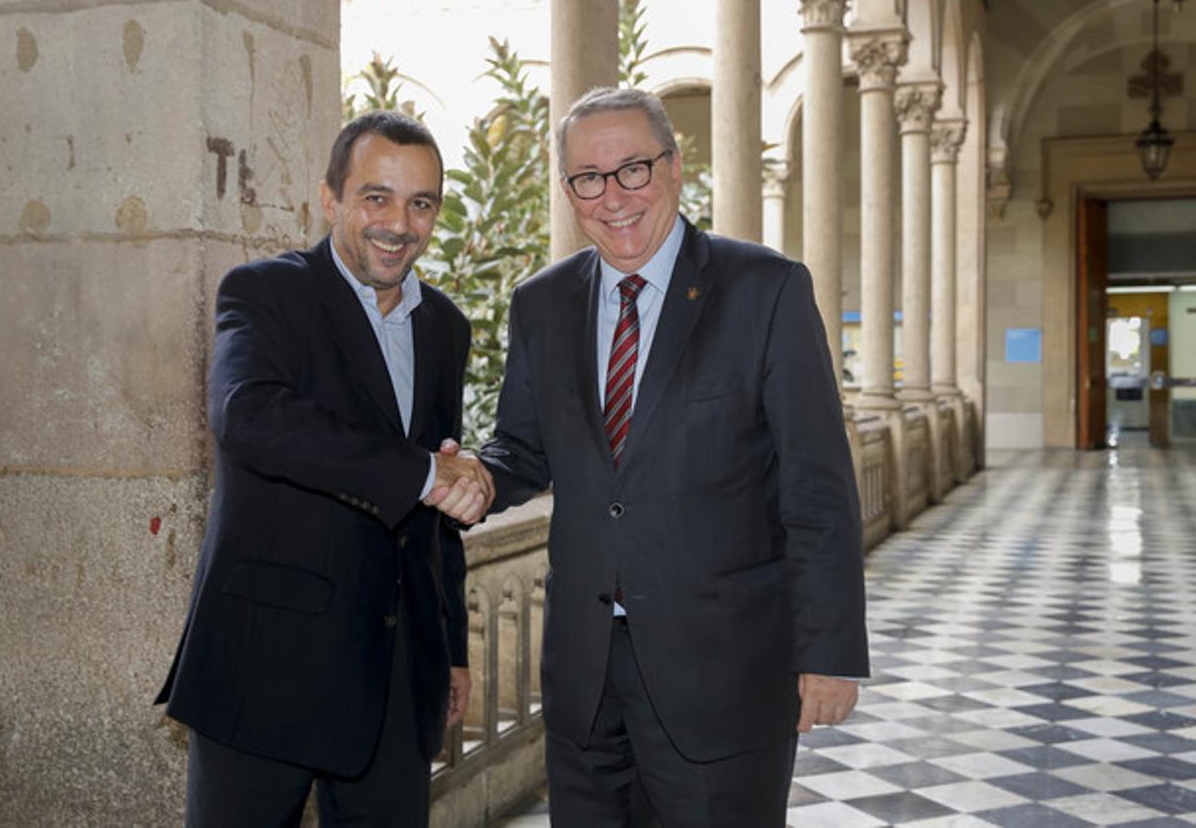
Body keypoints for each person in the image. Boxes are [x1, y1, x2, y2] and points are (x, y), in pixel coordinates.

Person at [475, 87, 869, 826]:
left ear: (676, 168)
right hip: (587, 681)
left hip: (725, 676)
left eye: (633, 168)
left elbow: (817, 483)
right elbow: (524, 447)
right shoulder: (542, 303)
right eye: (588, 177)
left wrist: (831, 649)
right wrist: (477, 474)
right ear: (567, 190)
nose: (612, 196)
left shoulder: (765, 289)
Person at [156, 110, 493, 828]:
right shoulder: (265, 293)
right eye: (377, 197)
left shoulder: (445, 327)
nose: (399, 223)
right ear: (331, 198)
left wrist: (451, 648)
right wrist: (421, 473)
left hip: (396, 674)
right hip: (264, 663)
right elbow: (248, 416)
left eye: (421, 202)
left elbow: (439, 507)